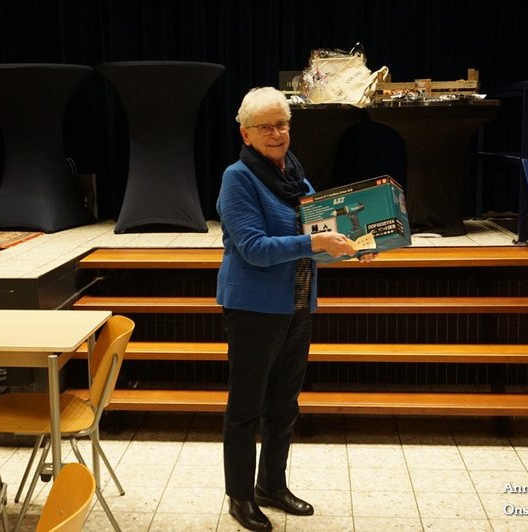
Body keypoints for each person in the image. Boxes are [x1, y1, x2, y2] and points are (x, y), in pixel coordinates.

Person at [216, 86, 374, 531]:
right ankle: (240, 496)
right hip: (253, 309)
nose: (276, 133)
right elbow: (254, 248)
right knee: (246, 408)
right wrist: (315, 242)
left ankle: (272, 486)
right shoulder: (238, 178)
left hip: (297, 305)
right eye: (265, 126)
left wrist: (353, 249)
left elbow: (316, 244)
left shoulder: (298, 179)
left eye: (282, 124)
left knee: (284, 405)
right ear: (246, 134)